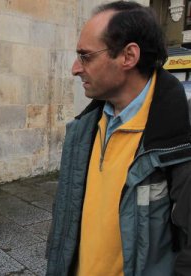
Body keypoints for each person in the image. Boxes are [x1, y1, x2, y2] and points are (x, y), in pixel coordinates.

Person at [45, 1, 191, 275]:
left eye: (85, 56)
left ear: (128, 56)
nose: (75, 68)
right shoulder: (83, 129)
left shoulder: (179, 140)